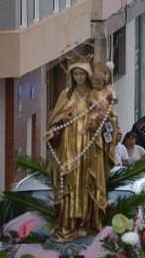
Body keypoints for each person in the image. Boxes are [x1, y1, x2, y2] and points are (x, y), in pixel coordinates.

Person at [45, 58, 115, 241]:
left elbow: (110, 119)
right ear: (71, 76)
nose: (79, 77)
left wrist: (101, 123)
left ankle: (87, 223)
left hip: (91, 147)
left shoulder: (96, 94)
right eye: (75, 74)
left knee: (88, 182)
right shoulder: (66, 96)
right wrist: (53, 133)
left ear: (88, 75)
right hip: (69, 147)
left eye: (82, 73)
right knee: (70, 183)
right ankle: (68, 224)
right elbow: (56, 120)